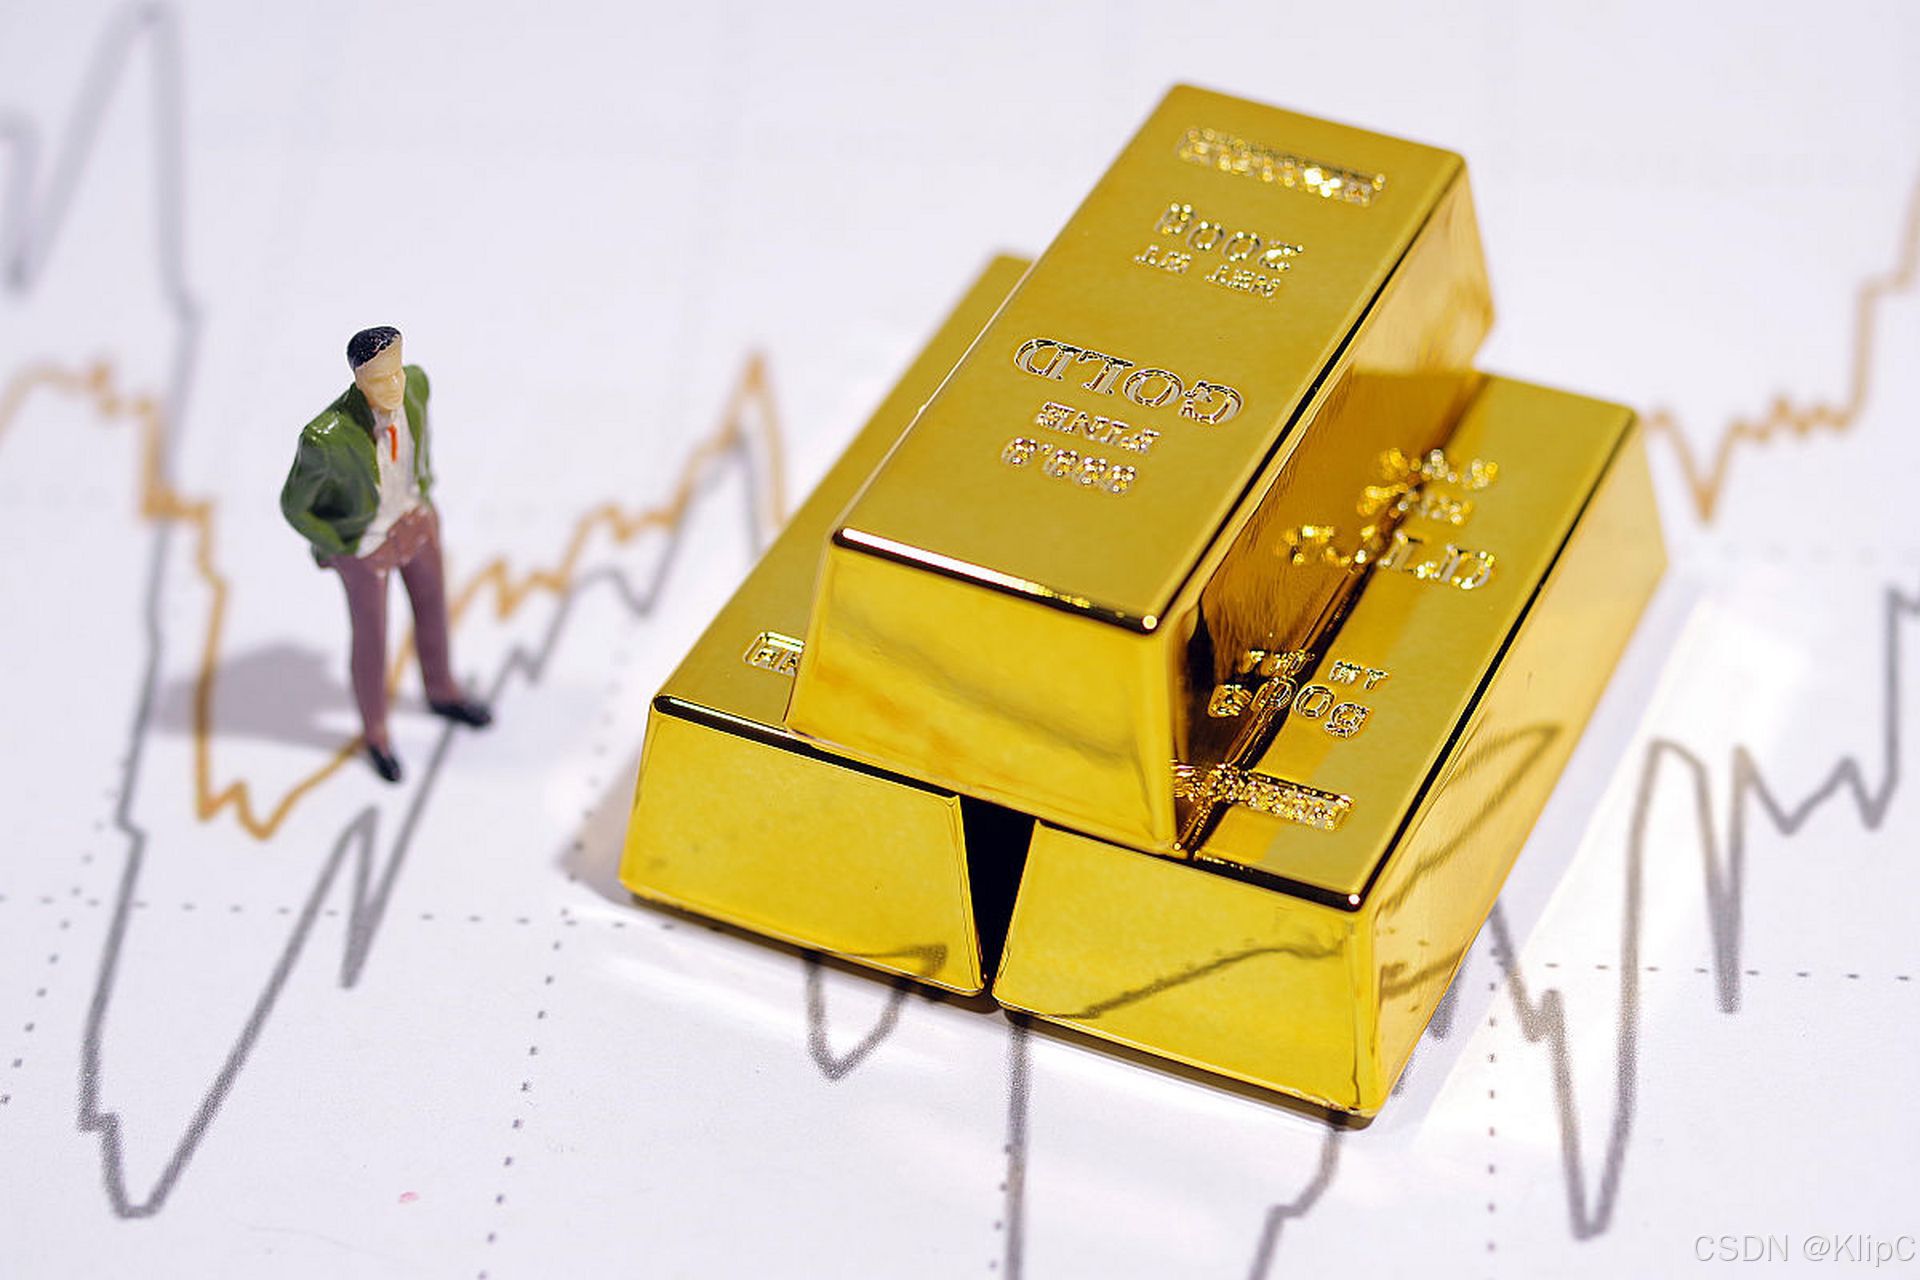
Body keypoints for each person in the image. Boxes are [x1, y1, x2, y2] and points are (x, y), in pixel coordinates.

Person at [280, 326, 492, 782]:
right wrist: (345, 546)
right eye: (379, 380)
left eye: (396, 373)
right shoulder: (324, 438)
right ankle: (376, 734)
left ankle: (443, 690)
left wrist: (424, 500)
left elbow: (419, 449)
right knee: (373, 637)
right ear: (359, 381)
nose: (393, 386)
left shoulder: (417, 387)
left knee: (434, 608)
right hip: (367, 543)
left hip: (415, 522)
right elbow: (294, 506)